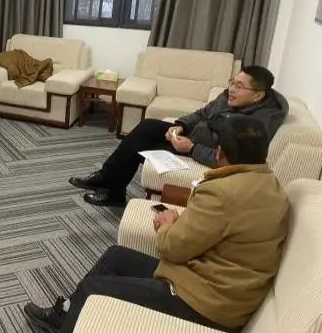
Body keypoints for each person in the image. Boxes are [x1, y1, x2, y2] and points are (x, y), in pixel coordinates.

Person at [24, 115, 290, 333]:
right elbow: (220, 231)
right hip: (221, 286)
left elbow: (171, 248)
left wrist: (166, 223)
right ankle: (65, 315)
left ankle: (66, 323)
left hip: (203, 300)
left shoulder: (222, 192)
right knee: (116, 256)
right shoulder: (272, 185)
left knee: (92, 290)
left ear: (220, 152)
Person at [70, 65, 288, 206]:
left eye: (239, 86)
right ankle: (110, 183)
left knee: (138, 144)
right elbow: (202, 113)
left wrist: (191, 148)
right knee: (147, 127)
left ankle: (111, 187)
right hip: (193, 136)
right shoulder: (228, 97)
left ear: (258, 95)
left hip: (200, 150)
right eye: (232, 82)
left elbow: (232, 160)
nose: (231, 89)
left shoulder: (256, 125)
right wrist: (180, 125)